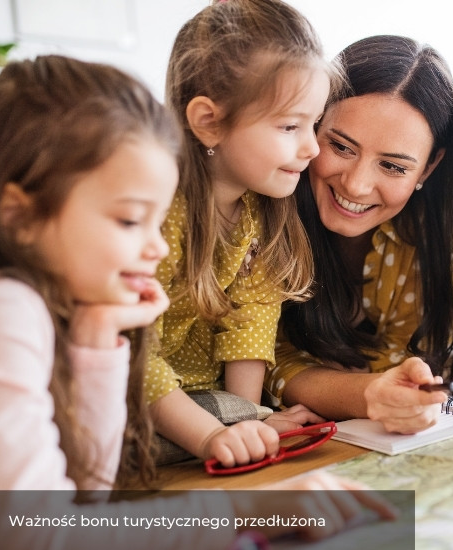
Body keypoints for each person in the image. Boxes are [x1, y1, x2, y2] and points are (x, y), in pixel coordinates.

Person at [0, 54, 395, 549]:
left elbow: (88, 496)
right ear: (20, 217)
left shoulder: (56, 306)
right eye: (129, 221)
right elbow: (37, 535)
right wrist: (246, 510)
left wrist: (98, 341)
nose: (160, 248)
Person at [148, 0, 338, 466]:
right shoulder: (156, 211)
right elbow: (127, 359)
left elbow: (250, 327)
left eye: (313, 124)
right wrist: (214, 436)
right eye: (290, 126)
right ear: (209, 123)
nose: (312, 147)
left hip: (204, 398)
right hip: (132, 387)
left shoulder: (262, 210)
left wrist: (250, 419)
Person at [267, 35, 453, 434]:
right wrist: (370, 393)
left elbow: (401, 367)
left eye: (393, 167)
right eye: (341, 147)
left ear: (429, 168)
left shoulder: (431, 240)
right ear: (312, 122)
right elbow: (267, 363)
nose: (355, 185)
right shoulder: (264, 215)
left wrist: (382, 392)